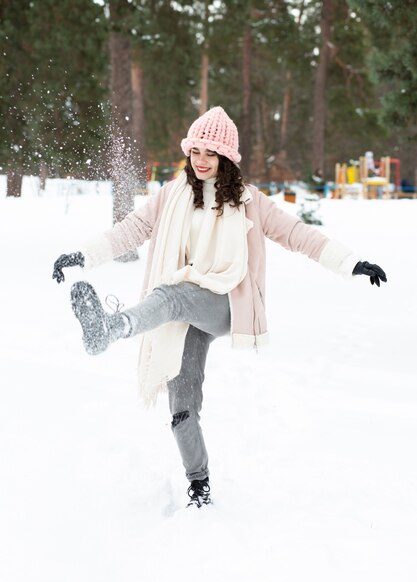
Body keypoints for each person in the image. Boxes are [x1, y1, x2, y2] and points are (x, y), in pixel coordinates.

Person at [52, 107, 387, 508]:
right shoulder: (173, 194)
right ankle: (199, 484)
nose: (201, 159)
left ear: (226, 157)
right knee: (182, 403)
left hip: (227, 303)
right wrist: (82, 255)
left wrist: (350, 263)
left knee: (170, 294)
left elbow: (297, 235)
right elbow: (131, 230)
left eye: (211, 152)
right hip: (187, 308)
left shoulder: (249, 201)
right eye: (196, 150)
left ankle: (111, 327)